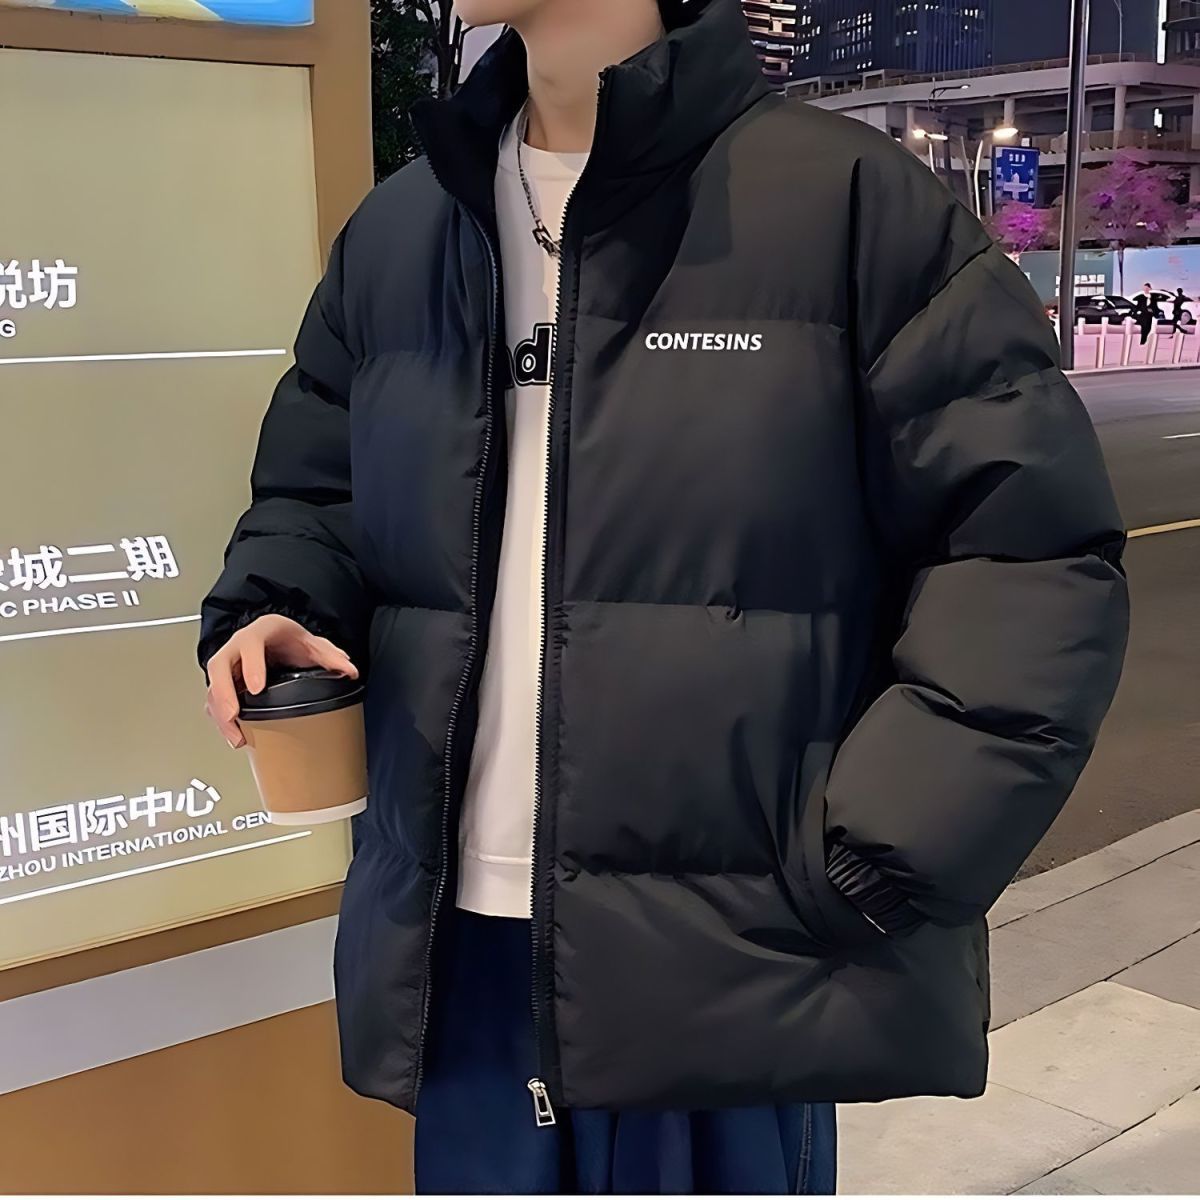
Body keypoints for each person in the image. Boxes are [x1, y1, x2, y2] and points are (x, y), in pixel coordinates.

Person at [197, 0, 1130, 1192]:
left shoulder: (849, 205)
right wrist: (279, 604)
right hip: (458, 954)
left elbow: (1030, 557)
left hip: (732, 961)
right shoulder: (404, 231)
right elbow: (315, 493)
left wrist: (872, 862)